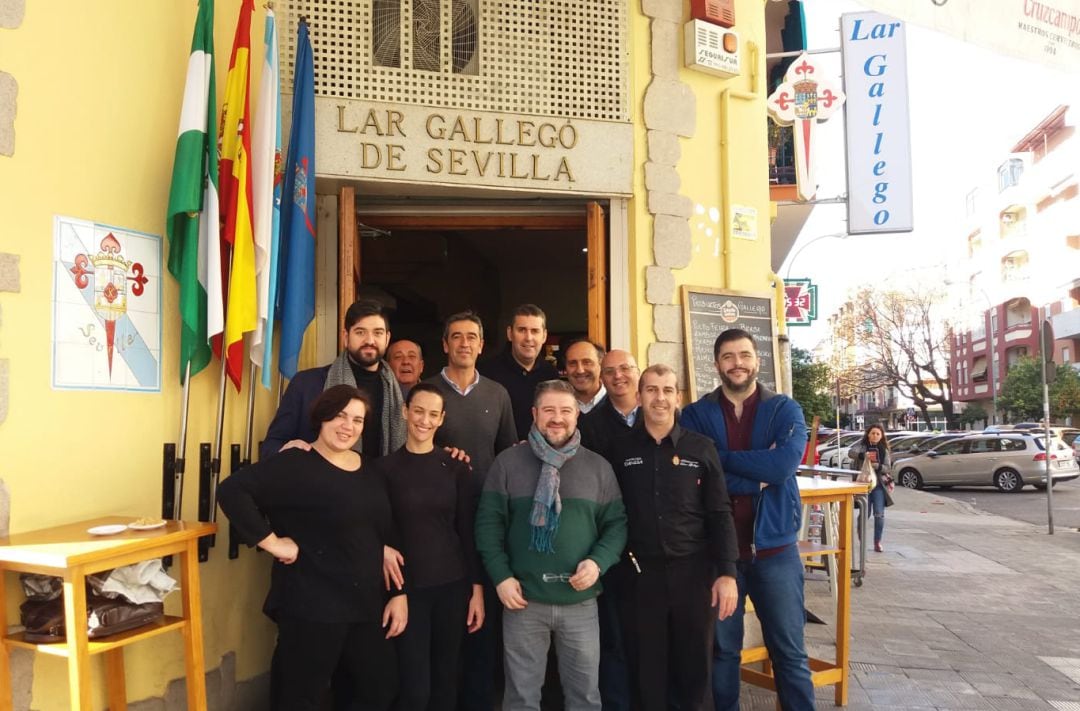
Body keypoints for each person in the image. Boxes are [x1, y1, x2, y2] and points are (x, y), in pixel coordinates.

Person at [218, 385, 408, 711]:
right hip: (311, 605)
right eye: (339, 416)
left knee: (379, 686)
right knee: (301, 696)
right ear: (321, 417)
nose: (348, 426)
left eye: (357, 420)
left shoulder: (369, 469)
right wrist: (271, 542)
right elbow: (233, 491)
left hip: (364, 605)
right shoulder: (296, 462)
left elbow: (381, 527)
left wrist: (397, 593)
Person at [680, 328, 814, 711]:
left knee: (789, 652)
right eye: (727, 356)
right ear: (716, 364)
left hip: (775, 552)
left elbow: (784, 464)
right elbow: (697, 473)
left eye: (743, 355)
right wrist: (759, 472)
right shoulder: (696, 414)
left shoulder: (784, 409)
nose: (736, 363)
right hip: (721, 556)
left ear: (757, 361)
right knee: (723, 653)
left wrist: (721, 458)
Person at [475, 379, 628, 711]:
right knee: (520, 698)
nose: (557, 418)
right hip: (522, 602)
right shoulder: (507, 463)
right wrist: (501, 577)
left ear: (577, 415)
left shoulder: (599, 468)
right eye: (549, 410)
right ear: (534, 414)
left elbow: (616, 527)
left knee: (585, 697)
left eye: (565, 411)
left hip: (581, 604)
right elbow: (488, 527)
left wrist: (597, 562)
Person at [608, 364, 738, 711]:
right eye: (651, 390)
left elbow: (720, 512)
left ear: (677, 397)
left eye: (667, 390)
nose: (659, 398)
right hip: (639, 577)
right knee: (646, 670)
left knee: (694, 670)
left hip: (694, 576)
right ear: (638, 397)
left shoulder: (701, 448)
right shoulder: (619, 451)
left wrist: (727, 573)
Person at [422, 311, 517, 711]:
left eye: (472, 337)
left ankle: (478, 700)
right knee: (444, 616)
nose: (464, 343)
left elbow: (510, 453)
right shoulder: (425, 393)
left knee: (484, 616)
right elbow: (408, 447)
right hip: (438, 520)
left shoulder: (497, 394)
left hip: (487, 517)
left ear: (482, 344)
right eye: (456, 336)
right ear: (444, 344)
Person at [376, 382, 485, 711]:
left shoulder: (456, 468)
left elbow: (467, 530)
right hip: (408, 590)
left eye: (433, 414)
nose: (424, 420)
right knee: (414, 687)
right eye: (419, 411)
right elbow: (381, 531)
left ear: (441, 420)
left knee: (446, 679)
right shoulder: (383, 469)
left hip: (453, 587)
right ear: (406, 412)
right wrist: (398, 591)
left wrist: (476, 588)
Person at [261, 299, 405, 461]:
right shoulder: (306, 384)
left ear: (387, 338)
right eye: (360, 332)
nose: (370, 341)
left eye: (377, 332)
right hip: (319, 482)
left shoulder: (399, 394)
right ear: (345, 336)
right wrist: (287, 451)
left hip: (379, 484)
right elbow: (270, 447)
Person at [576, 348, 639, 711]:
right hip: (607, 545)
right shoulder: (591, 425)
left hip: (652, 545)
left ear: (637, 372)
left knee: (649, 637)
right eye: (610, 371)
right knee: (612, 637)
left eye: (625, 369)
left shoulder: (659, 414)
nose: (618, 376)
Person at [480, 304, 559, 439]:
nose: (528, 338)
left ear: (544, 336)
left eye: (535, 331)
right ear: (510, 334)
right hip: (500, 457)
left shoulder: (551, 375)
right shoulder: (486, 373)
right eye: (522, 330)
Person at [847, 424, 893, 552]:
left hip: (878, 485)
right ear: (868, 434)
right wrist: (863, 456)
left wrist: (878, 466)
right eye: (873, 433)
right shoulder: (862, 446)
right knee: (864, 513)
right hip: (863, 484)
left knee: (879, 514)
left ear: (882, 436)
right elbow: (851, 453)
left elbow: (888, 468)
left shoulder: (884, 450)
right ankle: (862, 539)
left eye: (878, 434)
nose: (875, 436)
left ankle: (877, 541)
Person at [564, 339, 606, 414]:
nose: (580, 370)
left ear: (601, 365)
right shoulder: (559, 406)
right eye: (572, 363)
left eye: (587, 362)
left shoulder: (617, 403)